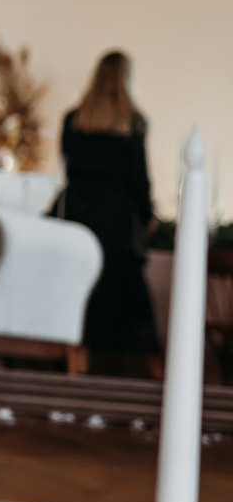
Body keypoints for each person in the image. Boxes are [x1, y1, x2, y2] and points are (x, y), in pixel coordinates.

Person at [59, 51, 159, 368]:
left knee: (84, 293)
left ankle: (79, 363)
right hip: (118, 224)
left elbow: (69, 171)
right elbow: (139, 179)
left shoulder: (72, 120)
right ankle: (132, 371)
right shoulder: (133, 122)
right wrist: (146, 217)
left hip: (80, 217)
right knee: (125, 300)